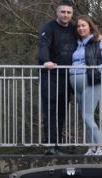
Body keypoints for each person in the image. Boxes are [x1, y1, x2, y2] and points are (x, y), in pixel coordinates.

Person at [69, 15, 102, 155]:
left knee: (88, 116)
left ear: (90, 27)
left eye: (84, 25)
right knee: (85, 118)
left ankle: (101, 148)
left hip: (91, 83)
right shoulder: (78, 44)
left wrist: (93, 72)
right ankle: (92, 148)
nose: (81, 28)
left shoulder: (99, 43)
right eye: (78, 26)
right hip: (77, 85)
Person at [38, 1, 78, 155]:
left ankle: (57, 146)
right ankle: (50, 146)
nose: (66, 15)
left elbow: (87, 37)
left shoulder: (74, 29)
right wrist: (46, 61)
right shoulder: (48, 28)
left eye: (68, 12)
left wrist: (98, 37)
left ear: (72, 14)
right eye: (63, 12)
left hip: (68, 77)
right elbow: (43, 46)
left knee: (62, 111)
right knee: (50, 110)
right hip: (51, 75)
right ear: (57, 12)